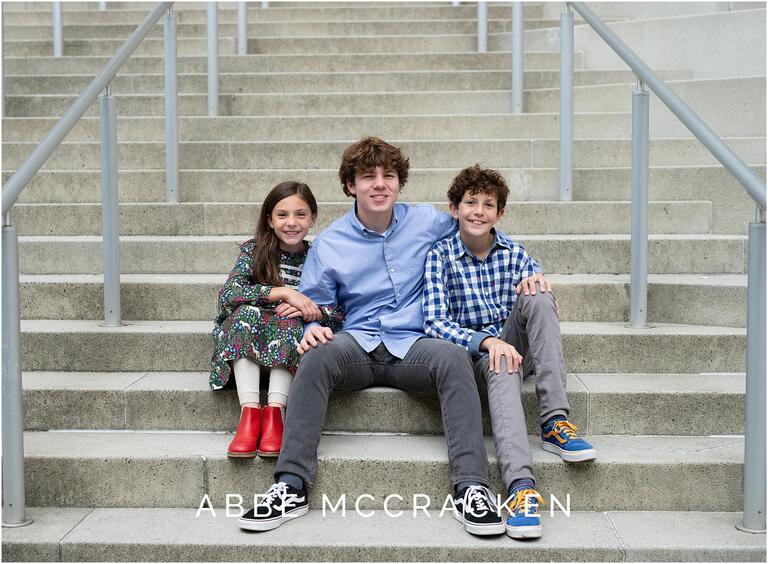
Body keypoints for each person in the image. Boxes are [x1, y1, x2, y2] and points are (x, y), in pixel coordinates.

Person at [238, 137, 505, 537]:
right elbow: (314, 304)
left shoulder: (429, 222)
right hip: (358, 343)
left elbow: (480, 228)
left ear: (399, 184)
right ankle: (290, 486)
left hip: (416, 344)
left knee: (453, 358)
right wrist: (313, 330)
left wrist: (526, 273)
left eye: (389, 176)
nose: (379, 184)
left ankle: (472, 488)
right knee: (316, 357)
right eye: (368, 176)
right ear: (351, 185)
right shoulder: (329, 244)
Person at [423, 164, 597, 540]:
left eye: (488, 204)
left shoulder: (514, 253)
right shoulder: (439, 256)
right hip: (474, 357)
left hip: (515, 346)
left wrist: (538, 286)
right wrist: (487, 342)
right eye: (471, 202)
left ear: (499, 213)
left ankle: (553, 421)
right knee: (499, 362)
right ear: (454, 208)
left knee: (538, 291)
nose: (478, 211)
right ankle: (521, 488)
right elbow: (434, 322)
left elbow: (542, 308)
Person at [210, 181, 343, 459]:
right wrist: (283, 292)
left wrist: (315, 311)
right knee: (244, 314)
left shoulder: (318, 255)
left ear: (313, 218)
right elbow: (229, 293)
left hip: (289, 348)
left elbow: (342, 307)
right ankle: (249, 415)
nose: (291, 223)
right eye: (282, 215)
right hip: (248, 346)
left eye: (301, 214)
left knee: (290, 320)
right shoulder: (254, 250)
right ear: (269, 220)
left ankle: (274, 414)